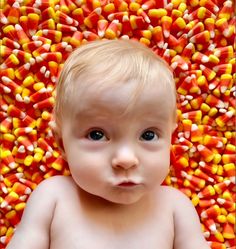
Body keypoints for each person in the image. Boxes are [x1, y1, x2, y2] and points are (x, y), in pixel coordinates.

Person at [7, 39, 210, 249]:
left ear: (171, 138)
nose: (126, 159)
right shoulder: (53, 198)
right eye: (96, 134)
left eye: (148, 135)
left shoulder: (175, 208)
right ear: (61, 143)